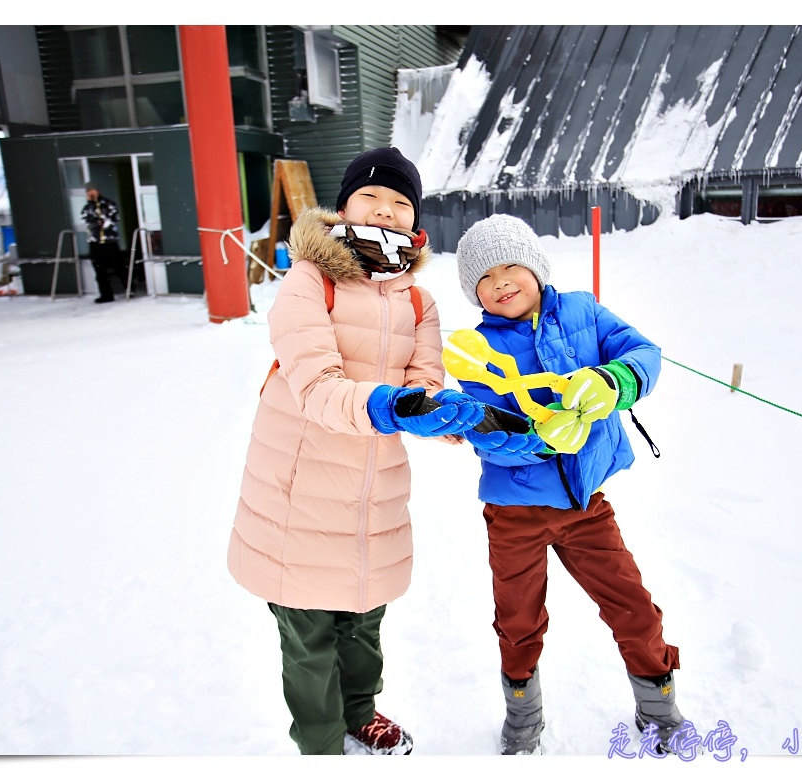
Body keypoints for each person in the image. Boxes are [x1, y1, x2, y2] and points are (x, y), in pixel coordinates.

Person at [226, 149, 538, 756]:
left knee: (364, 616)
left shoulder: (419, 302)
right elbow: (315, 386)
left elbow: (423, 387)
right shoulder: (310, 279)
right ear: (343, 206)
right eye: (372, 197)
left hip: (373, 488)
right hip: (300, 484)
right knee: (309, 628)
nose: (387, 211)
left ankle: (359, 711)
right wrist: (391, 406)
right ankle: (318, 743)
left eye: (401, 203)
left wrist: (461, 418)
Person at [453, 213, 684, 756]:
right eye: (484, 277)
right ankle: (522, 712)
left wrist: (615, 381)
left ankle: (658, 707)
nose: (501, 281)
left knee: (632, 605)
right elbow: (484, 435)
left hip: (586, 506)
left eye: (511, 266)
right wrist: (540, 439)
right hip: (514, 514)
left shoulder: (583, 311)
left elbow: (644, 354)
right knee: (517, 618)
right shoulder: (474, 349)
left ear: (535, 266)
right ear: (475, 292)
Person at [81, 182, 126, 303]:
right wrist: (96, 222)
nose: (91, 193)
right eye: (88, 191)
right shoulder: (88, 208)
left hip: (109, 240)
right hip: (95, 242)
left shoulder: (108, 204)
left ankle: (128, 289)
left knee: (118, 266)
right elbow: (86, 219)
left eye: (93, 190)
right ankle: (106, 294)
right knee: (99, 270)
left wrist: (104, 222)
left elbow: (114, 218)